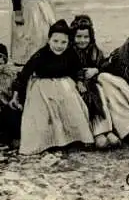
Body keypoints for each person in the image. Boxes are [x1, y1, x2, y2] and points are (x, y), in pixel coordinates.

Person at [10, 19, 95, 155]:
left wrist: (79, 81)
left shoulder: (70, 53)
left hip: (64, 84)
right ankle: (49, 141)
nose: (59, 46)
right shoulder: (40, 55)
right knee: (43, 113)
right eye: (55, 41)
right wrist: (15, 95)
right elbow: (24, 74)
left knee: (72, 106)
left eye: (63, 42)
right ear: (49, 40)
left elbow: (77, 69)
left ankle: (76, 138)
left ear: (68, 42)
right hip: (42, 86)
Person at [70, 15, 129, 150]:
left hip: (95, 83)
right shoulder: (69, 52)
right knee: (96, 95)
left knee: (108, 86)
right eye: (78, 37)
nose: (82, 41)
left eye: (86, 37)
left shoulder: (94, 51)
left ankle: (125, 128)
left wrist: (96, 70)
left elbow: (103, 64)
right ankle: (101, 132)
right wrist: (80, 77)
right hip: (80, 86)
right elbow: (67, 69)